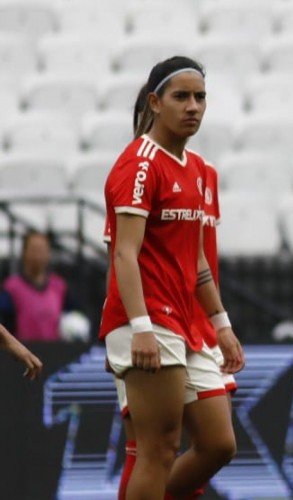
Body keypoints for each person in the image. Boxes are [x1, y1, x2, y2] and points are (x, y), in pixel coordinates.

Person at [101, 55, 244, 500]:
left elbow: (197, 260)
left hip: (186, 324)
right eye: (181, 96)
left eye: (200, 97)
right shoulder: (140, 164)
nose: (193, 106)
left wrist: (221, 324)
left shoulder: (197, 168)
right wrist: (140, 327)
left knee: (219, 444)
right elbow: (124, 253)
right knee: (157, 449)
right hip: (148, 320)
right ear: (155, 102)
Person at [0, 231, 84, 342]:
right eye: (34, 250)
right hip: (23, 353)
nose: (38, 255)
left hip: (55, 352)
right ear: (24, 253)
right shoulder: (11, 288)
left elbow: (77, 317)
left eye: (42, 250)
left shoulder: (59, 286)